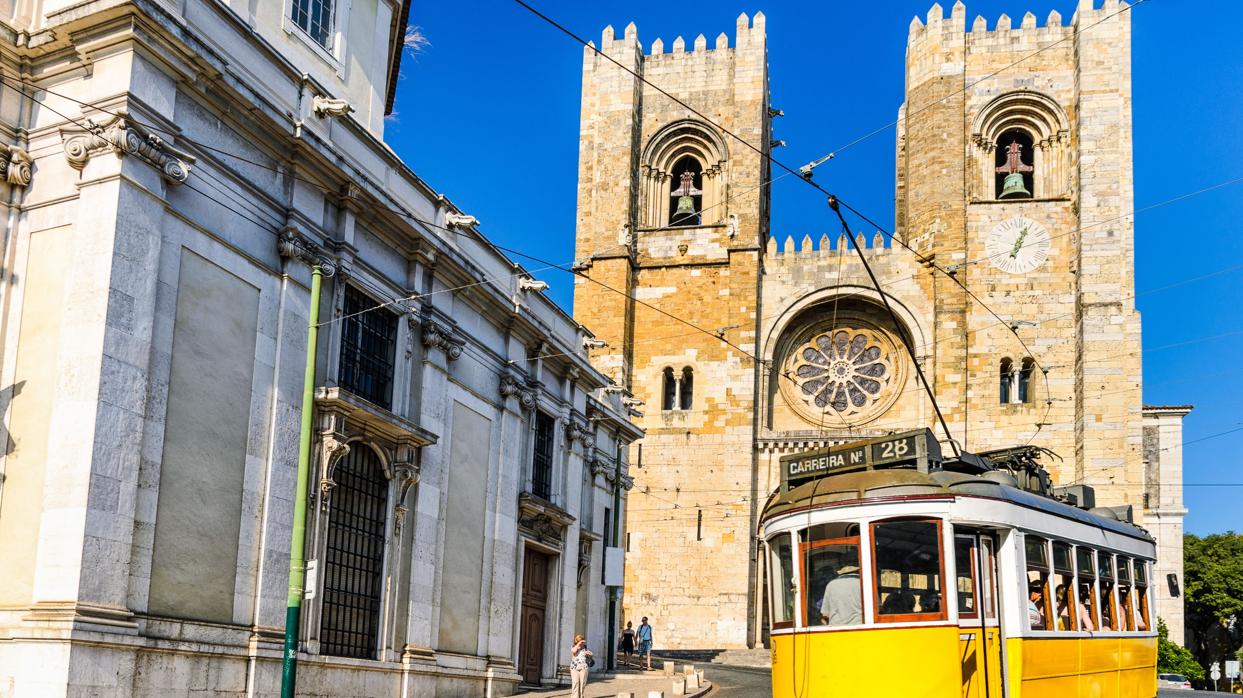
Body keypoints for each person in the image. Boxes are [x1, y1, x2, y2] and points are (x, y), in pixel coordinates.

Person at [819, 560, 862, 625]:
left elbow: (825, 614)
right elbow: (877, 609)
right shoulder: (864, 583)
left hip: (836, 628)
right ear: (857, 570)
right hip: (859, 626)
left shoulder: (831, 585)